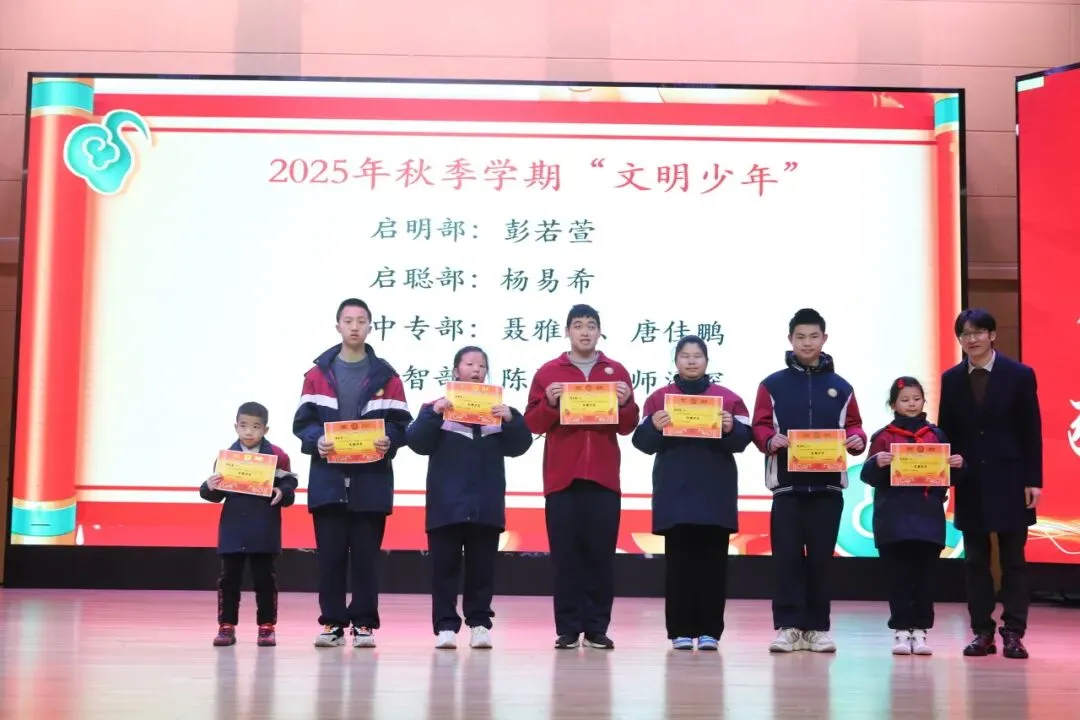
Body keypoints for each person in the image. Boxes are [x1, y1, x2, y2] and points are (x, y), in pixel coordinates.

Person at [293, 297, 412, 649]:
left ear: (370, 327)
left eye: (361, 320)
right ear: (338, 326)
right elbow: (303, 423)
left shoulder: (387, 376)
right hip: (328, 482)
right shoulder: (317, 375)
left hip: (370, 483)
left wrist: (389, 440)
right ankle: (332, 623)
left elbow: (401, 426)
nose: (355, 326)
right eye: (348, 321)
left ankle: (363, 624)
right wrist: (316, 441)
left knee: (365, 561)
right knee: (329, 560)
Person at [524, 304, 640, 650]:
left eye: (591, 325)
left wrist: (625, 404)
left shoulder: (616, 371)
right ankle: (568, 628)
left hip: (604, 479)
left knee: (601, 556)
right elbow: (532, 424)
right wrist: (549, 402)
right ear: (567, 332)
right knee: (565, 556)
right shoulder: (549, 372)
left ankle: (596, 628)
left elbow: (628, 426)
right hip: (562, 479)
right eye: (578, 326)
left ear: (600, 332)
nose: (585, 332)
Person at [751, 308, 867, 653]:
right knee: (786, 558)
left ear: (824, 339)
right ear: (790, 340)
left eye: (813, 336)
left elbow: (855, 426)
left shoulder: (841, 387)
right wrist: (769, 440)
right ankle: (788, 627)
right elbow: (760, 426)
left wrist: (857, 439)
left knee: (820, 560)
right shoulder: (772, 385)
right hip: (787, 486)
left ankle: (817, 628)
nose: (807, 343)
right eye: (800, 337)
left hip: (828, 487)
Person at [406, 346, 533, 650]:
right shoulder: (436, 408)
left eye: (482, 365)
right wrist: (432, 414)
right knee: (444, 571)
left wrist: (512, 420)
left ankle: (479, 624)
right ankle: (445, 627)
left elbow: (519, 446)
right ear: (456, 371)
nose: (476, 370)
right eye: (470, 364)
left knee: (482, 571)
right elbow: (416, 442)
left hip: (485, 505)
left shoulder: (499, 411)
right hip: (446, 506)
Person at [631, 335, 753, 651]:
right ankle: (680, 631)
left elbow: (744, 441)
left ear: (707, 361)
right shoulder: (659, 399)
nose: (691, 361)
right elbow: (642, 443)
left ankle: (710, 631)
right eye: (685, 356)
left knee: (713, 567)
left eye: (697, 356)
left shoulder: (728, 399)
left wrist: (732, 428)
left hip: (715, 494)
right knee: (679, 567)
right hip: (676, 494)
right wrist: (653, 426)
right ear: (676, 361)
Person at [938, 308, 1043, 660]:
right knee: (975, 561)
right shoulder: (952, 378)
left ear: (992, 335)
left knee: (1014, 560)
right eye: (965, 334)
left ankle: (1014, 632)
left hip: (1012, 479)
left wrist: (1033, 479)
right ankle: (982, 632)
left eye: (978, 332)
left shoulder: (1019, 374)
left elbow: (1031, 430)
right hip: (970, 480)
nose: (972, 339)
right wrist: (944, 477)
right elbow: (946, 431)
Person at [860, 377, 965, 655]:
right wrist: (877, 463)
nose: (911, 404)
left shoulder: (936, 435)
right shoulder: (883, 436)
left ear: (923, 401)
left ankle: (920, 631)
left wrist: (959, 465)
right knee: (898, 578)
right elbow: (868, 476)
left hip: (927, 518)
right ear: (893, 404)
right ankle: (900, 631)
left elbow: (949, 477)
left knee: (925, 578)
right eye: (905, 400)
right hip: (892, 520)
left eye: (916, 399)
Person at [200, 401, 298, 647]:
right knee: (229, 580)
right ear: (236, 427)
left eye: (256, 427)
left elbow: (289, 486)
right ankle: (226, 626)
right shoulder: (227, 458)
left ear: (265, 429)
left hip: (263, 527)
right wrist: (208, 486)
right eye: (243, 426)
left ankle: (266, 627)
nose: (249, 432)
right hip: (234, 528)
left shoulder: (277, 455)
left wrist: (283, 492)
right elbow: (215, 494)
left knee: (264, 580)